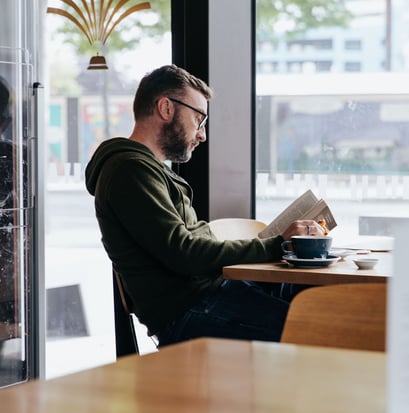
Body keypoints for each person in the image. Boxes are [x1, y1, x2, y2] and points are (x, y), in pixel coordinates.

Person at [85, 64, 323, 347]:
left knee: (319, 302)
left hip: (210, 295)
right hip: (191, 312)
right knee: (319, 330)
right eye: (199, 119)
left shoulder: (144, 168)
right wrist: (276, 244)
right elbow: (184, 253)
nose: (202, 134)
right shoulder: (130, 171)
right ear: (166, 108)